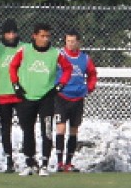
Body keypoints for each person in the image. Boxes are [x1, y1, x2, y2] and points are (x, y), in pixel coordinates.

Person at [8, 23, 72, 176]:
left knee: (47, 131)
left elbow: (67, 68)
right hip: (26, 97)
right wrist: (16, 85)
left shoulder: (55, 53)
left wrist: (60, 85)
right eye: (42, 36)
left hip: (46, 98)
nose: (45, 39)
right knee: (27, 130)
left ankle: (44, 164)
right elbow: (13, 66)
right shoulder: (24, 50)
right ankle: (30, 163)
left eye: (47, 36)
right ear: (34, 36)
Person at [54, 30, 97, 172]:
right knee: (61, 127)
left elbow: (92, 74)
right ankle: (59, 162)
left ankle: (68, 162)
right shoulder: (60, 56)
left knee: (74, 130)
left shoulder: (84, 59)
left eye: (73, 41)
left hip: (77, 98)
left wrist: (89, 88)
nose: (70, 44)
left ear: (78, 42)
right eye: (68, 41)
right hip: (62, 97)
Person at [0, 19, 22, 172]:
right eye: (8, 33)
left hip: (21, 95)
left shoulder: (25, 49)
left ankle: (30, 157)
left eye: (13, 32)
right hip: (3, 94)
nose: (11, 36)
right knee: (5, 128)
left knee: (26, 127)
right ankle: (9, 158)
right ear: (3, 34)